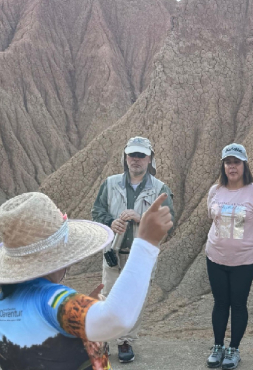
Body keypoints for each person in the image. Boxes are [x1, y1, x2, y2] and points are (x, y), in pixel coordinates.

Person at [0, 191, 172, 370]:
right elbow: (116, 318)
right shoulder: (50, 299)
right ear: (56, 257)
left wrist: (83, 310)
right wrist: (146, 242)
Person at [91, 135, 175, 363]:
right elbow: (96, 211)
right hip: (113, 254)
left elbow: (170, 222)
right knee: (107, 296)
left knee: (135, 300)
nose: (136, 160)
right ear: (125, 157)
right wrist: (111, 222)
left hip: (140, 256)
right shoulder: (109, 184)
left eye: (141, 155)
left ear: (149, 160)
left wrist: (142, 218)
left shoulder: (160, 189)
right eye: (132, 155)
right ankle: (102, 339)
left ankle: (125, 341)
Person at [205, 143, 253, 369]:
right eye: (228, 162)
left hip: (244, 261)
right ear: (223, 166)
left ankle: (234, 349)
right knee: (220, 303)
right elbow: (212, 217)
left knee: (238, 303)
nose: (232, 166)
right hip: (215, 257)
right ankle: (218, 346)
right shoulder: (215, 192)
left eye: (236, 162)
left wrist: (245, 238)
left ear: (244, 165)